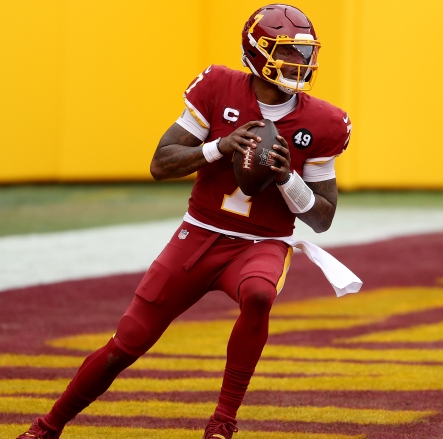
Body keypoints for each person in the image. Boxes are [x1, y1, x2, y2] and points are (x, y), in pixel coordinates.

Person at [18, 4, 359, 438]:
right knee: (127, 343)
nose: (298, 61)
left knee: (258, 294)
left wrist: (287, 179)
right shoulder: (218, 86)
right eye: (286, 51)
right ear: (256, 53)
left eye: (303, 52)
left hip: (261, 244)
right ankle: (48, 426)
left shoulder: (324, 121)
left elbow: (322, 218)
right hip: (198, 234)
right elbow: (161, 164)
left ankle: (222, 423)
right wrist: (219, 147)